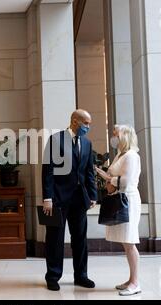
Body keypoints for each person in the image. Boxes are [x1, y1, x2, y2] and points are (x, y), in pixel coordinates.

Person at [42, 109, 98, 291]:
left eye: (89, 124)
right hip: (57, 199)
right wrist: (47, 197)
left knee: (80, 239)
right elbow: (48, 171)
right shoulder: (56, 140)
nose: (88, 127)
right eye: (86, 123)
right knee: (55, 239)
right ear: (75, 121)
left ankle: (81, 276)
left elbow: (89, 172)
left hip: (79, 200)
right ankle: (53, 276)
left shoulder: (87, 144)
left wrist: (93, 195)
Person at [96, 124, 142, 296]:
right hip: (119, 197)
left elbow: (126, 181)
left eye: (116, 134)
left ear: (125, 136)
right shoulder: (120, 155)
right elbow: (115, 179)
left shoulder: (131, 156)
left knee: (130, 242)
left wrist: (108, 178)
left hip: (128, 200)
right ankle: (131, 280)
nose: (113, 137)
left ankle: (135, 283)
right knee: (126, 242)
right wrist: (108, 178)